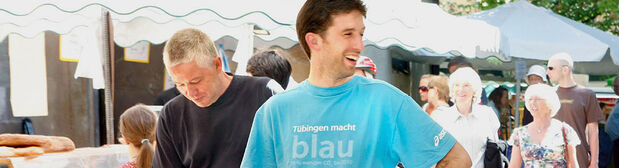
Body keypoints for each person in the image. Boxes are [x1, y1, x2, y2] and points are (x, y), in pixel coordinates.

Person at [240, 0, 471, 167]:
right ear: (314, 40)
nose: (360, 45)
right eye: (348, 34)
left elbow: (457, 159)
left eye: (361, 33)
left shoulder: (386, 101)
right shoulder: (274, 112)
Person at [153, 28, 282, 168]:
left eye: (196, 81)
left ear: (217, 64)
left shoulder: (264, 94)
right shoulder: (172, 114)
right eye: (180, 84)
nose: (190, 92)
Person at [431, 67, 501, 168]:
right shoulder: (442, 117)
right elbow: (434, 153)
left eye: (466, 85)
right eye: (457, 85)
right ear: (452, 89)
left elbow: (495, 151)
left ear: (475, 89)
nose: (460, 89)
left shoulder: (487, 114)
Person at [546, 53, 603, 168]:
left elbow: (593, 131)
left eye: (551, 68)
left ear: (565, 69)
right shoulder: (548, 94)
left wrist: (594, 162)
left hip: (579, 158)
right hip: (551, 157)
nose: (547, 72)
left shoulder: (587, 94)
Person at [508, 84, 581, 168]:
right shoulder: (520, 133)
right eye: (530, 99)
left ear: (550, 103)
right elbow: (513, 166)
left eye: (537, 99)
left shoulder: (564, 130)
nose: (532, 103)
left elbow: (573, 164)